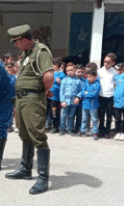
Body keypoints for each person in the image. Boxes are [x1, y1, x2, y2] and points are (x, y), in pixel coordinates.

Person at [5, 24, 54, 195]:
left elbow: (48, 75)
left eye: (16, 42)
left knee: (37, 134)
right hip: (22, 98)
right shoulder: (27, 52)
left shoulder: (41, 51)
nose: (15, 45)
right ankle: (25, 168)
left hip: (33, 98)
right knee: (24, 133)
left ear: (25, 40)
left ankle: (43, 178)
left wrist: (46, 90)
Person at [77, 69, 101, 140]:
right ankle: (82, 130)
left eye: (90, 77)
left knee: (94, 119)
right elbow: (82, 91)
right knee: (84, 119)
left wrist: (86, 93)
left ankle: (95, 132)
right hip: (85, 104)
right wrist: (86, 93)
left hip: (93, 105)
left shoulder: (97, 84)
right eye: (87, 77)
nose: (88, 78)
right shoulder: (86, 82)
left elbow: (94, 94)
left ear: (95, 77)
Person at [59, 63, 83, 135]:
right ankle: (62, 129)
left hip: (74, 101)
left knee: (71, 116)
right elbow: (61, 91)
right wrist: (62, 101)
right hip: (65, 101)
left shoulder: (78, 81)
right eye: (68, 70)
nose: (70, 72)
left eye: (71, 70)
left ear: (75, 70)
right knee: (63, 115)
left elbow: (81, 91)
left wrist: (78, 97)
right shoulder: (64, 80)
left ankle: (69, 128)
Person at [97, 53, 117, 138]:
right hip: (101, 95)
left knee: (109, 114)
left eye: (108, 62)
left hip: (110, 96)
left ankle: (107, 131)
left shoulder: (114, 72)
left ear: (113, 63)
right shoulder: (100, 71)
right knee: (101, 114)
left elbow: (116, 84)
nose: (106, 63)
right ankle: (101, 129)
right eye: (104, 61)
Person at [48, 58, 65, 133]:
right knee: (47, 111)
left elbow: (64, 85)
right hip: (48, 96)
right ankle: (49, 125)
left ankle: (56, 127)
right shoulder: (50, 73)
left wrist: (60, 82)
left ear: (58, 66)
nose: (53, 66)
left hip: (55, 97)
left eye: (54, 65)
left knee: (54, 112)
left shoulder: (61, 74)